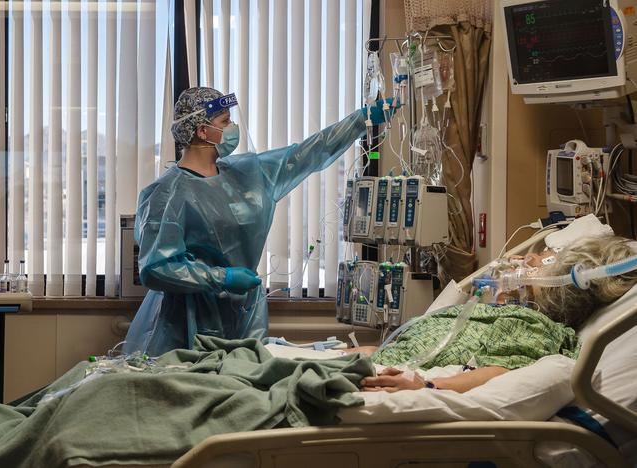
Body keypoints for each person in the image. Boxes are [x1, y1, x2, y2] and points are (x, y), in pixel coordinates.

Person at [123, 87, 396, 355]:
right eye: (225, 122)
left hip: (243, 311)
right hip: (185, 321)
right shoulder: (165, 194)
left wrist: (361, 120)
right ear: (202, 130)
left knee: (245, 384)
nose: (233, 129)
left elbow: (307, 153)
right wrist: (223, 277)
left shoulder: (248, 174)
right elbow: (156, 268)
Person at [352, 236, 637, 393]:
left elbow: (499, 374)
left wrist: (426, 386)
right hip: (368, 365)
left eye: (530, 261)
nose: (514, 262)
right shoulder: (499, 313)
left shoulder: (531, 325)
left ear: (556, 281)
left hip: (374, 382)